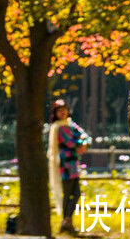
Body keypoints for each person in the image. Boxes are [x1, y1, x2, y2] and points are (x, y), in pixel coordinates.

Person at [47, 99, 90, 235]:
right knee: (69, 193)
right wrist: (80, 143)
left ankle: (67, 221)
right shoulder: (58, 128)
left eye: (64, 109)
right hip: (65, 164)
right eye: (60, 110)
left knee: (76, 193)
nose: (63, 112)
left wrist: (83, 142)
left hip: (73, 164)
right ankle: (66, 221)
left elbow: (84, 135)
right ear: (56, 113)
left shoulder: (71, 124)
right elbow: (70, 142)